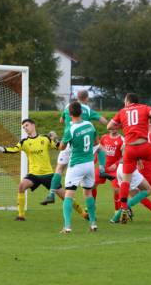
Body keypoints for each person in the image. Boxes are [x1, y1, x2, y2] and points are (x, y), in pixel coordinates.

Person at [0, 119, 88, 221]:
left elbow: (59, 147)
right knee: (21, 186)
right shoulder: (24, 142)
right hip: (34, 175)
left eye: (27, 125)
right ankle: (21, 215)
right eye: (24, 127)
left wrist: (56, 139)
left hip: (48, 175)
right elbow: (14, 149)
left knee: (65, 196)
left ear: (33, 125)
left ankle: (84, 214)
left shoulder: (45, 138)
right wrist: (1, 149)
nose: (25, 128)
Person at [107, 93, 151, 223]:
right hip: (143, 145)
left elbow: (109, 126)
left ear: (128, 101)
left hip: (129, 149)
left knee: (125, 182)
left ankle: (123, 209)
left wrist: (123, 125)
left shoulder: (122, 111)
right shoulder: (145, 108)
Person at [41, 89, 111, 205]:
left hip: (68, 141)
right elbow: (102, 120)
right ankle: (102, 170)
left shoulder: (68, 106)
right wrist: (112, 125)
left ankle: (51, 194)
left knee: (59, 169)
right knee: (101, 149)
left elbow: (61, 120)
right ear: (86, 98)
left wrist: (66, 122)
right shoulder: (87, 109)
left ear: (77, 97)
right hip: (82, 142)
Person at [59, 101, 98, 234]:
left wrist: (58, 141)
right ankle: (93, 223)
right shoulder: (90, 124)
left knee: (69, 194)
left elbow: (62, 147)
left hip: (76, 164)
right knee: (88, 193)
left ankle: (67, 226)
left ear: (69, 114)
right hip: (90, 164)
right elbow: (96, 142)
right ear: (81, 112)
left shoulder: (70, 129)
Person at [92, 126, 124, 210]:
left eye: (115, 128)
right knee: (91, 185)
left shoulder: (122, 140)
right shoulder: (104, 138)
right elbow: (98, 150)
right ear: (108, 129)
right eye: (111, 128)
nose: (113, 130)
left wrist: (116, 164)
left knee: (117, 190)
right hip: (103, 168)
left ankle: (117, 210)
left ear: (118, 128)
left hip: (114, 170)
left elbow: (124, 155)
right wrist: (94, 160)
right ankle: (91, 205)